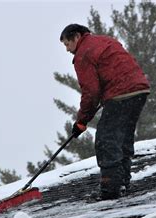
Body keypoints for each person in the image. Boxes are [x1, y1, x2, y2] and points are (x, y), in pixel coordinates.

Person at [60, 23, 150, 200]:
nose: (67, 49)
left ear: (77, 37)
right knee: (123, 138)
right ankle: (123, 182)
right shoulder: (106, 41)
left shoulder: (83, 53)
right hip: (139, 90)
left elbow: (91, 92)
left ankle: (111, 188)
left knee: (106, 140)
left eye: (67, 44)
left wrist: (81, 121)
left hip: (120, 94)